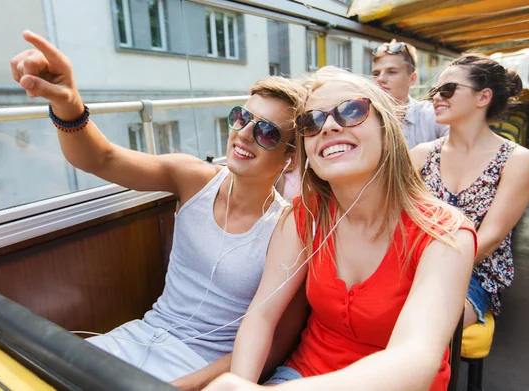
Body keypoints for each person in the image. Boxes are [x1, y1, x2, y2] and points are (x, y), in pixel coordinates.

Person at [10, 30, 309, 384]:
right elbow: (101, 159)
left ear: (289, 157)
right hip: (140, 336)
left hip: (202, 369)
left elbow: (274, 345)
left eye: (267, 133)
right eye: (241, 118)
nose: (243, 134)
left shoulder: (288, 228)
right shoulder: (193, 177)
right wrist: (67, 104)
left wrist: (182, 386)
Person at [203, 66, 477, 391]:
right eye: (311, 122)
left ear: (386, 130)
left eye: (351, 111)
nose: (329, 126)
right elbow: (261, 316)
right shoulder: (305, 217)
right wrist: (241, 383)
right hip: (304, 374)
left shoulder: (445, 234)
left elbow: (414, 360)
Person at [411, 53, 529, 328]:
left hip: (473, 274)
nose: (436, 97)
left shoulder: (516, 160)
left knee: (424, 323)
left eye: (448, 89)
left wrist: (427, 269)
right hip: (413, 265)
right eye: (434, 91)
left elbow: (489, 238)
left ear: (483, 97)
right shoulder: (420, 155)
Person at [371, 39, 449, 148]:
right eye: (376, 73)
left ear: (412, 79)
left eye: (391, 72)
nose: (380, 79)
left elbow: (462, 146)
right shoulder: (363, 118)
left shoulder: (431, 115)